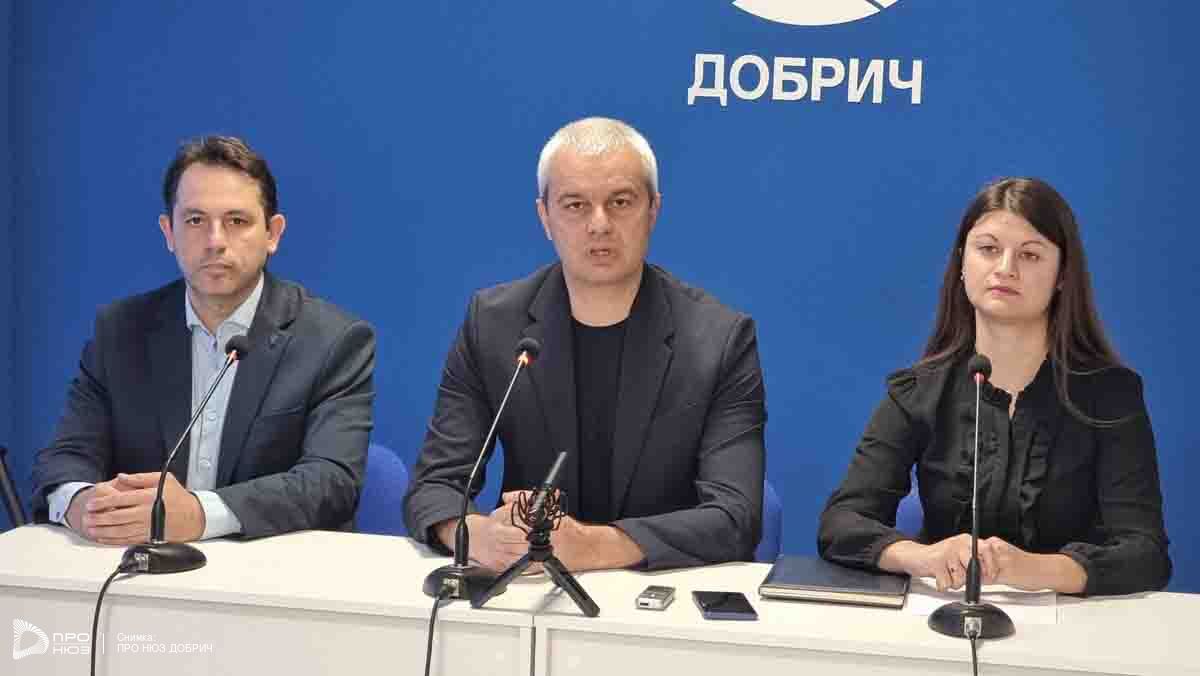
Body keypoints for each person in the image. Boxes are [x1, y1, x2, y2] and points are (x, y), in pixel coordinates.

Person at [403, 117, 766, 572]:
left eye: (621, 202)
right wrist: (474, 534)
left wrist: (594, 547)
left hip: (662, 588)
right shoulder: (493, 324)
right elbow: (434, 486)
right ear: (545, 217)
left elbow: (736, 516)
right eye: (575, 205)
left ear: (653, 210)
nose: (599, 224)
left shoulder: (719, 339)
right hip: (527, 586)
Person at [818, 177, 1170, 596]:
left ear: (1062, 274)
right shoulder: (919, 391)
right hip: (942, 616)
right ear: (962, 263)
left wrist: (1032, 570)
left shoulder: (1110, 395)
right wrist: (921, 556)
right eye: (988, 249)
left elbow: (1145, 553)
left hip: (1073, 625)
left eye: (1030, 254)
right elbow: (841, 523)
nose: (1005, 268)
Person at [31, 136, 375, 544]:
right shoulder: (122, 331)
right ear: (169, 232)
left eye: (237, 221)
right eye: (195, 220)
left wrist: (200, 514)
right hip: (142, 565)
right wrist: (81, 503)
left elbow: (331, 481)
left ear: (273, 233)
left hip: (271, 568)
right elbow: (64, 458)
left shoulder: (332, 340)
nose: (215, 241)